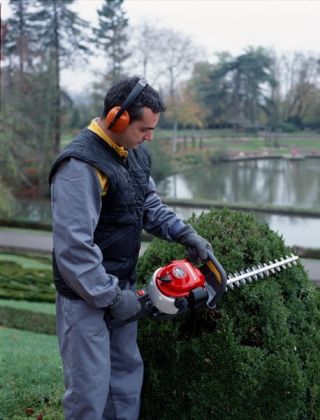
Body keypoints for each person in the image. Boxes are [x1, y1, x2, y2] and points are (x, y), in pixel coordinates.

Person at [49, 76, 211, 419]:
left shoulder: (133, 154)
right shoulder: (81, 166)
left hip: (121, 286)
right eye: (144, 129)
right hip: (85, 296)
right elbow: (74, 247)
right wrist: (110, 298)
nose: (150, 136)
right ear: (117, 119)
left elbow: (148, 205)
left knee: (125, 378)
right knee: (89, 390)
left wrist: (185, 234)